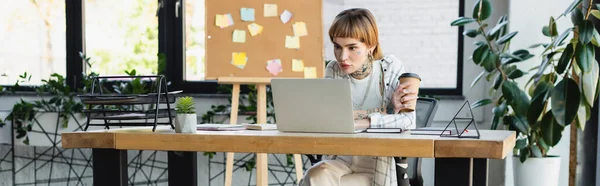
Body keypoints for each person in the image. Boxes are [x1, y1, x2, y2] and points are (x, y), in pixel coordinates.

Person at [298, 8, 418, 186]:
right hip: (340, 157)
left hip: (376, 163)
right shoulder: (334, 69)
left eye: (352, 47)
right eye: (337, 47)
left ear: (371, 46)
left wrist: (365, 122)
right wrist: (384, 114)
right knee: (316, 175)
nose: (342, 57)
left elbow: (408, 120)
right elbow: (330, 119)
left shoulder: (391, 68)